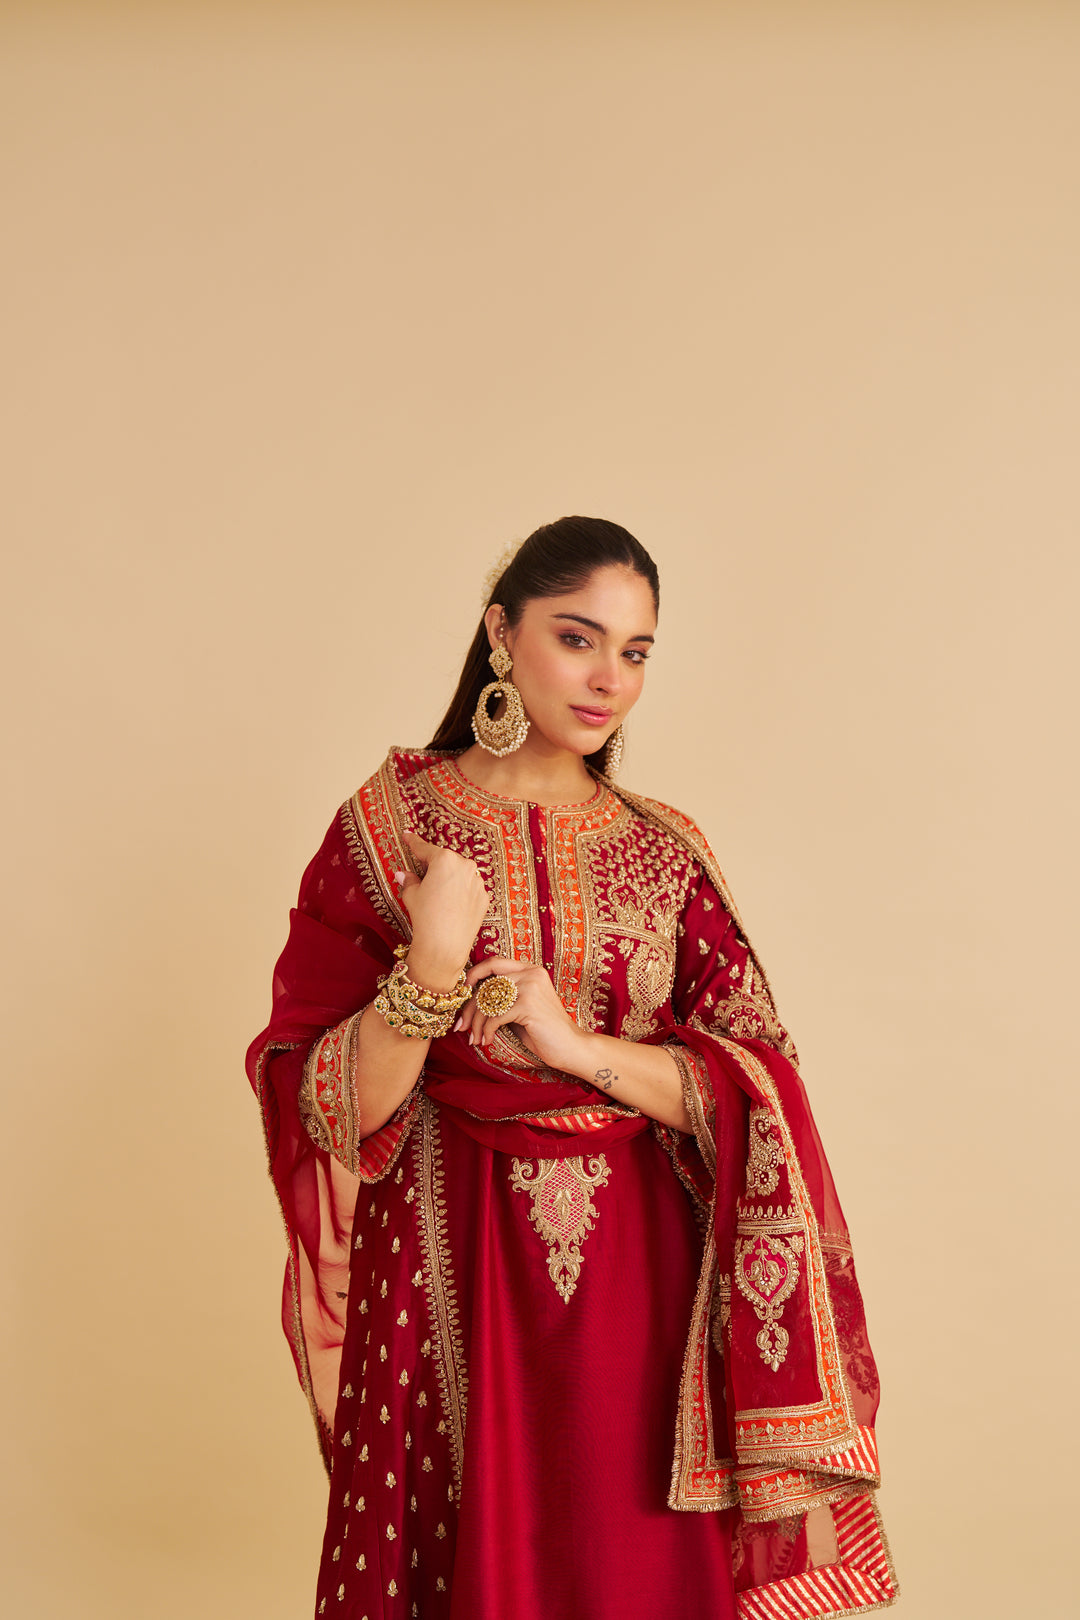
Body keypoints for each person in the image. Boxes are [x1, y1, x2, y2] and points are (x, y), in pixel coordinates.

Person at [246, 517, 898, 1620]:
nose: (609, 680)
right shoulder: (388, 826)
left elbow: (758, 1086)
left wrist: (575, 1048)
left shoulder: (664, 845)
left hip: (640, 1285)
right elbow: (324, 1104)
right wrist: (434, 960)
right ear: (501, 632)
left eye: (636, 652)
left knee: (628, 1563)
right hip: (448, 1262)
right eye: (578, 639)